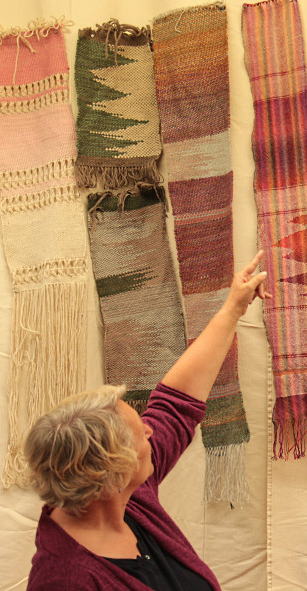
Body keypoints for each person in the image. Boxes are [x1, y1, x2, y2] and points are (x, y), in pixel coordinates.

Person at [24, 251, 270, 590]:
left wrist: (233, 308)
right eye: (140, 433)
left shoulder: (129, 499)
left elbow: (175, 404)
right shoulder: (64, 580)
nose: (151, 430)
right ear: (113, 471)